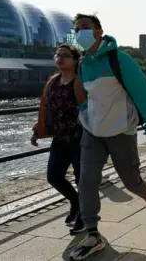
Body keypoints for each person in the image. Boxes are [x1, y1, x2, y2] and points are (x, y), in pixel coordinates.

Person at [69, 13, 146, 260]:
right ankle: (92, 234)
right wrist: (83, 112)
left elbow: (144, 93)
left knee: (132, 181)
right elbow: (88, 96)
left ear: (99, 31)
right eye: (77, 28)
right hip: (93, 131)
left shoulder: (118, 59)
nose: (81, 32)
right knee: (86, 182)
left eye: (86, 27)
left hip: (121, 130)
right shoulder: (83, 64)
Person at [31, 44, 86, 234]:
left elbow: (92, 106)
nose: (60, 58)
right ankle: (76, 203)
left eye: (65, 55)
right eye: (58, 55)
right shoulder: (53, 82)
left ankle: (85, 216)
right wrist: (39, 130)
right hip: (60, 138)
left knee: (82, 180)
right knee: (54, 176)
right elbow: (47, 110)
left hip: (80, 138)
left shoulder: (81, 81)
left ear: (75, 60)